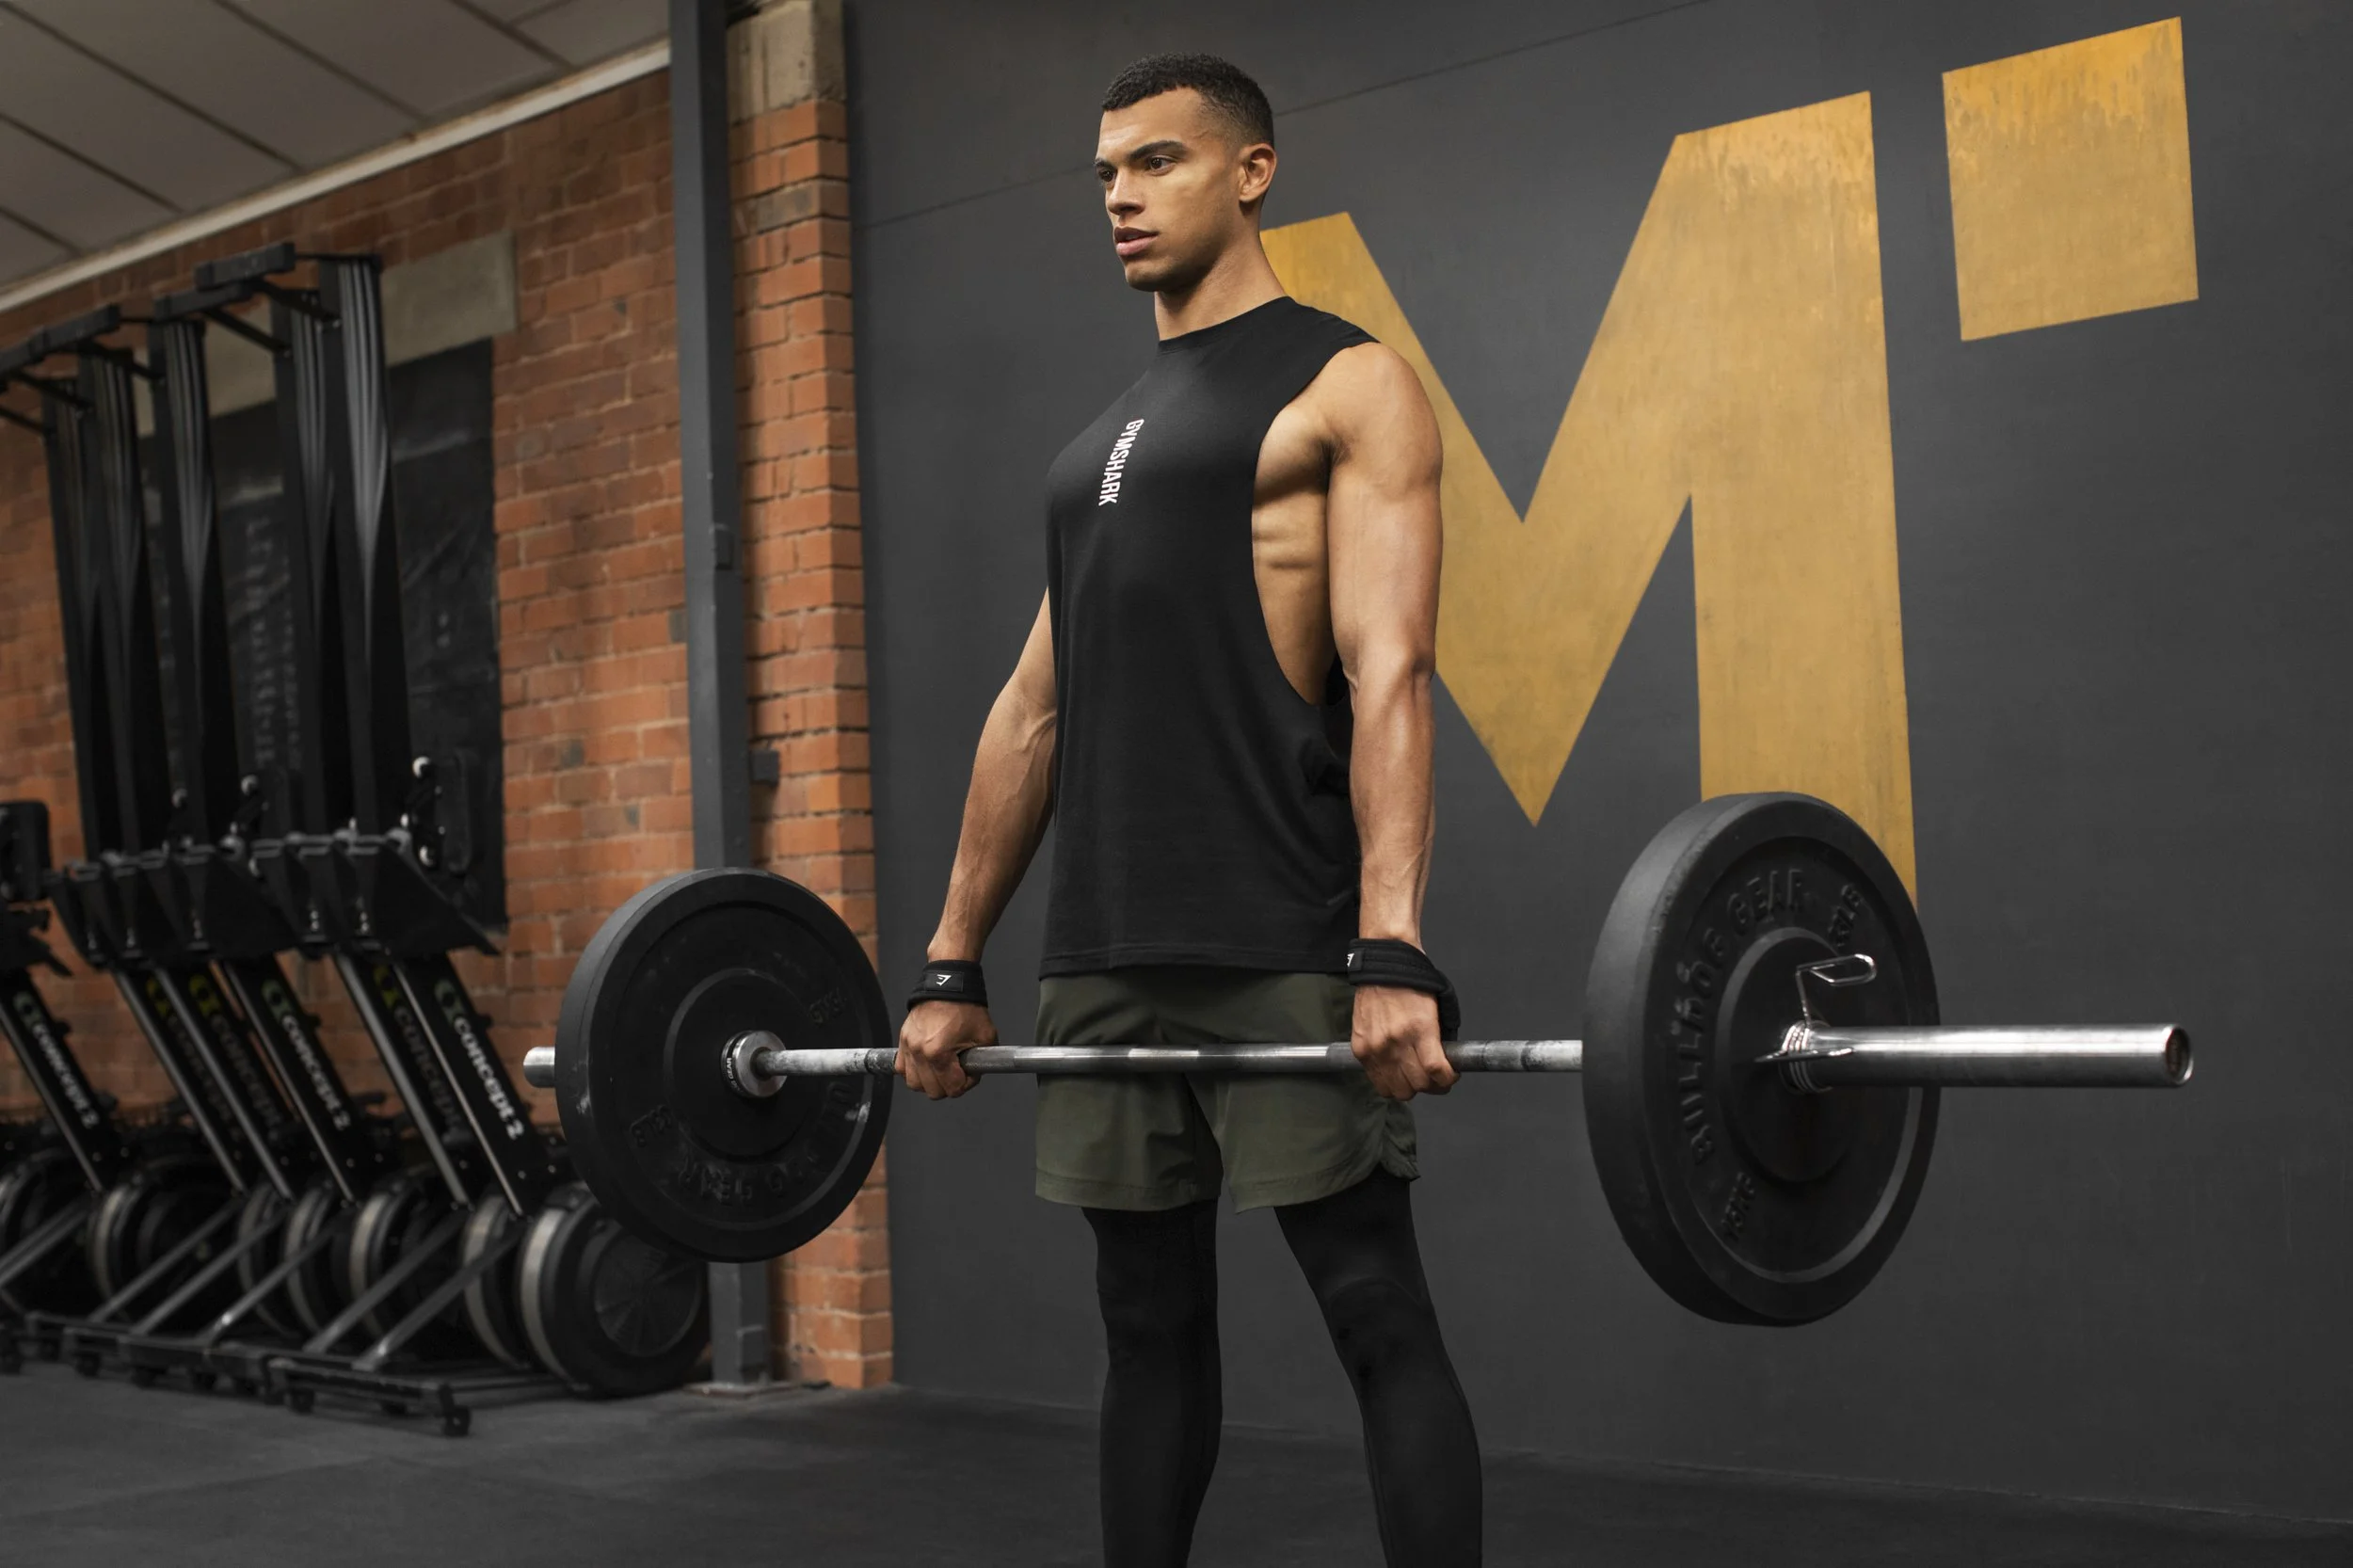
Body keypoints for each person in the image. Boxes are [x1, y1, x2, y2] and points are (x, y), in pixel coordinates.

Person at [895, 52, 1481, 1568]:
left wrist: (1391, 941)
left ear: (1251, 170)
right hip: (1104, 946)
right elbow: (1033, 709)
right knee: (1143, 1328)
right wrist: (956, 955)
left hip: (1279, 927)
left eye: (1155, 163)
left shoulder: (1347, 381)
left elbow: (1392, 665)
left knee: (1370, 1306)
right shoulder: (1097, 445)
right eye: (1105, 175)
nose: (1120, 198)